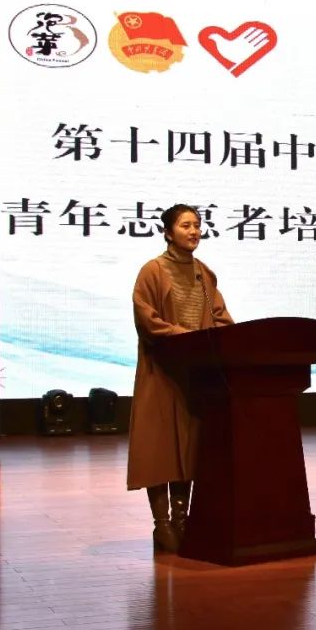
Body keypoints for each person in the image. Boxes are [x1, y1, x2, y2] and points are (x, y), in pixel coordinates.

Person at [128, 203, 234, 552]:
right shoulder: (153, 271)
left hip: (193, 375)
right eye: (185, 225)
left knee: (188, 449)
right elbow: (147, 321)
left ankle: (182, 518)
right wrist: (184, 337)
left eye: (197, 225)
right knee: (159, 450)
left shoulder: (204, 273)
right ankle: (162, 525)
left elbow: (220, 317)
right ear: (168, 232)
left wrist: (233, 341)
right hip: (161, 372)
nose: (194, 231)